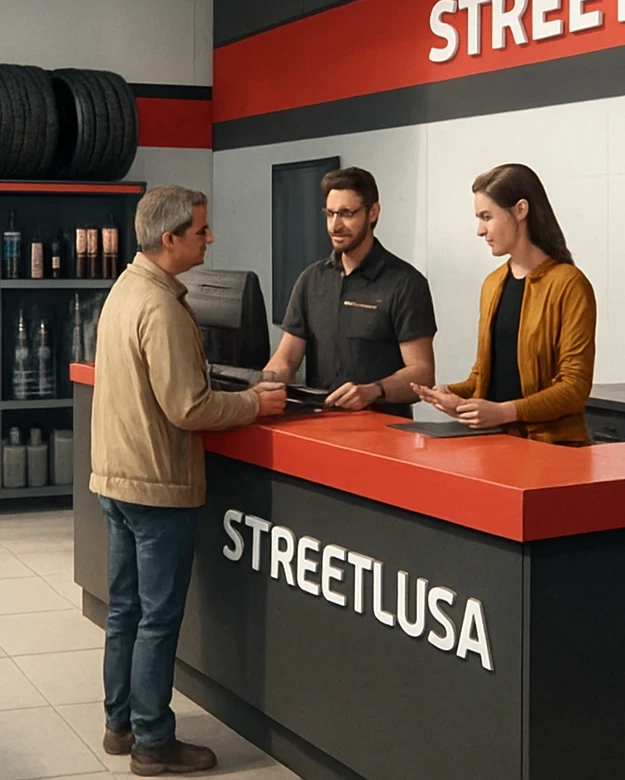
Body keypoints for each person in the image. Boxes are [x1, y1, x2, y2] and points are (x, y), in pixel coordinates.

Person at [91, 185, 287, 775]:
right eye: (201, 231)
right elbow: (189, 408)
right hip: (157, 485)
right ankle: (154, 741)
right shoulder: (162, 308)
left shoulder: (127, 290)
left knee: (124, 609)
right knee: (157, 616)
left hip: (117, 480)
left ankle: (120, 724)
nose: (211, 239)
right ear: (170, 238)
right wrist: (256, 404)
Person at [412, 164, 596, 445]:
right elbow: (484, 375)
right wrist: (454, 396)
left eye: (487, 217)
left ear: (520, 210)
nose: (479, 230)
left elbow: (574, 388)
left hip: (553, 449)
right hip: (496, 444)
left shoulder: (569, 284)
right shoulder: (493, 283)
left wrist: (504, 412)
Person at [262, 166, 436, 415]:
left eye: (346, 213)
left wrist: (372, 390)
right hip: (320, 427)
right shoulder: (311, 279)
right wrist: (261, 386)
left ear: (373, 212)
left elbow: (422, 373)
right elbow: (287, 358)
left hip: (383, 434)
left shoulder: (405, 283)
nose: (335, 225)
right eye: (330, 213)